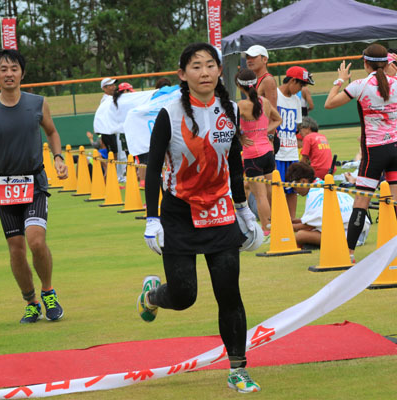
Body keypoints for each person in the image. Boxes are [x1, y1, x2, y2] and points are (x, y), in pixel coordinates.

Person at [138, 42, 261, 393]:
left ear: (220, 71)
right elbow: (152, 169)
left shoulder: (231, 109)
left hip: (221, 212)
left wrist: (244, 211)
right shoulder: (169, 113)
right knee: (184, 295)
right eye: (196, 66)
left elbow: (234, 163)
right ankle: (152, 296)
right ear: (182, 74)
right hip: (179, 213)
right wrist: (152, 220)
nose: (204, 72)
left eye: (210, 65)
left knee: (229, 293)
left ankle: (238, 369)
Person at [0, 49, 68, 324]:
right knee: (16, 249)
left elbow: (52, 132)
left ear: (22, 73)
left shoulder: (38, 103)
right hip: (6, 185)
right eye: (3, 69)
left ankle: (48, 292)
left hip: (34, 182)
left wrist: (58, 157)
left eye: (14, 69)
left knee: (36, 240)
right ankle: (31, 302)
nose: (9, 74)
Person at [324, 43, 397, 263]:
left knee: (361, 201)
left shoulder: (359, 85)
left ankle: (349, 253)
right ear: (386, 63)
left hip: (374, 152)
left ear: (366, 63)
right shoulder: (395, 83)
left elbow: (328, 104)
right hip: (395, 147)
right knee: (395, 201)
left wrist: (339, 80)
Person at [235, 68, 282, 235]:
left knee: (260, 195)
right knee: (271, 192)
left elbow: (230, 125)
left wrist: (242, 136)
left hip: (252, 154)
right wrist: (263, 132)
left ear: (239, 86)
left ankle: (267, 229)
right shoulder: (265, 102)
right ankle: (278, 225)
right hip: (268, 151)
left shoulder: (241, 105)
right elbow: (278, 119)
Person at [286, 162, 370, 248]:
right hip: (361, 229)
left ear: (303, 181)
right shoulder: (323, 184)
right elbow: (318, 218)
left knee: (300, 235)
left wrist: (286, 227)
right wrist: (295, 221)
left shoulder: (314, 193)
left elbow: (309, 226)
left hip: (348, 233)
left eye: (294, 187)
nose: (295, 190)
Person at [276, 66, 314, 220]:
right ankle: (278, 221)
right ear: (292, 81)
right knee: (277, 190)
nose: (301, 88)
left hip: (291, 152)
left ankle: (291, 222)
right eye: (301, 84)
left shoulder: (297, 100)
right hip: (277, 154)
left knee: (293, 190)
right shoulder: (275, 96)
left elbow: (296, 127)